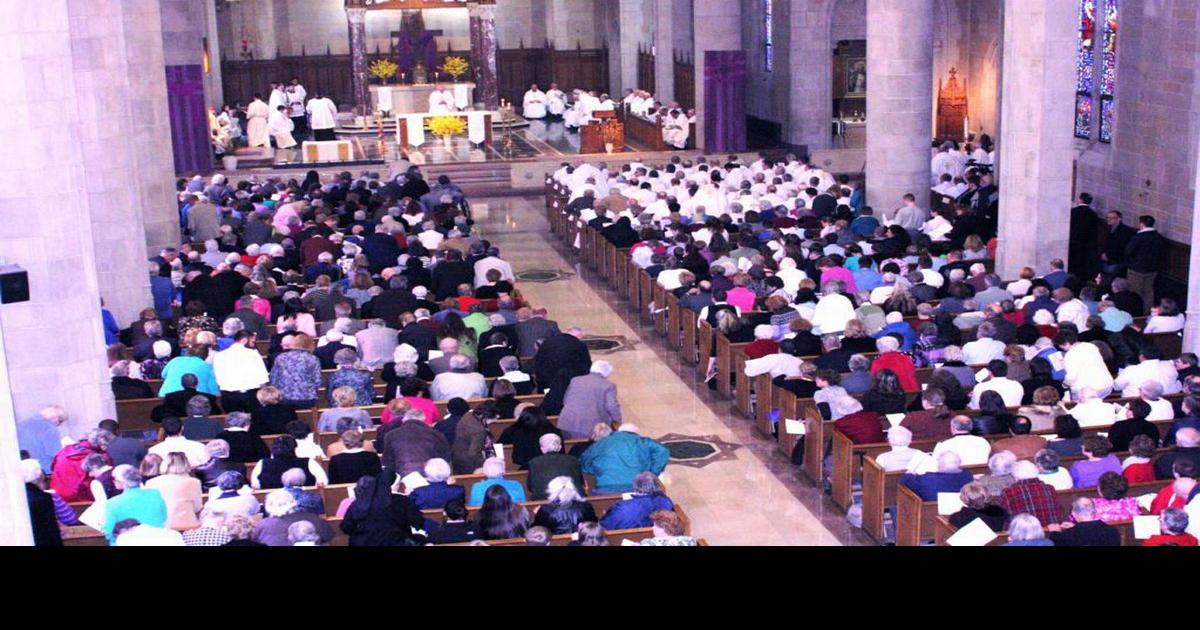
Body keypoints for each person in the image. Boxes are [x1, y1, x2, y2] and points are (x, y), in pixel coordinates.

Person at [340, 470, 426, 546]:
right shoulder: (401, 501)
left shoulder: (358, 503)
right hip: (396, 542)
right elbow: (418, 521)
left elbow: (346, 527)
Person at [580, 424, 670, 494]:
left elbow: (584, 460)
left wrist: (596, 470)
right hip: (638, 487)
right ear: (636, 433)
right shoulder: (641, 441)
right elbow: (663, 451)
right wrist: (652, 473)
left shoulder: (603, 442)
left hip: (606, 488)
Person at [557, 360, 622, 439]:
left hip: (566, 422)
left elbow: (565, 400)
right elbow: (612, 406)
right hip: (590, 427)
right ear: (605, 374)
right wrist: (618, 423)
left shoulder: (575, 380)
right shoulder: (608, 385)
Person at [102, 466, 167, 543]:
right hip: (158, 541)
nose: (113, 481)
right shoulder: (155, 494)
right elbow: (164, 517)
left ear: (123, 482)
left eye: (114, 479)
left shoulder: (112, 503)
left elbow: (108, 533)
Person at [252, 490, 334, 546]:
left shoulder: (262, 525)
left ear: (268, 506)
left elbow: (254, 541)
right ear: (292, 502)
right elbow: (328, 536)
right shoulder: (312, 517)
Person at [145, 453, 203, 531]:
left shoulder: (151, 483)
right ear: (186, 464)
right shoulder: (195, 482)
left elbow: (150, 507)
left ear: (164, 464)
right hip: (189, 525)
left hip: (162, 526)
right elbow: (197, 507)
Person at [998, 460, 1063, 525]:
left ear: (1015, 477)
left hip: (1023, 533)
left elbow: (1003, 517)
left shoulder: (1008, 492)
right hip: (1052, 532)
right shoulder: (1050, 488)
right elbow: (1059, 512)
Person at [531, 476, 596, 535]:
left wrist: (537, 514)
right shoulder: (586, 506)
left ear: (552, 492)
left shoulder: (546, 510)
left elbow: (536, 531)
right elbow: (594, 525)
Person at [1047, 497, 1121, 547]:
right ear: (1094, 512)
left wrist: (1054, 533)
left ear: (1073, 514)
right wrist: (1075, 527)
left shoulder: (1065, 536)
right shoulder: (1112, 531)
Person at [899, 451, 972, 500]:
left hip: (928, 515)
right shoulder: (967, 476)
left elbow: (904, 480)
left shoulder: (927, 478)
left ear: (941, 464)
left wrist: (910, 472)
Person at [17, 405, 69, 473]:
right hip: (44, 471)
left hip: (25, 470)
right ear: (55, 418)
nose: (58, 425)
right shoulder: (49, 428)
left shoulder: (21, 425)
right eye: (60, 422)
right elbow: (55, 454)